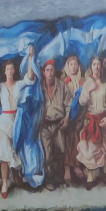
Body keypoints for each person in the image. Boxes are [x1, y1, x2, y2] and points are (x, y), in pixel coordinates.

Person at [0, 47, 37, 198]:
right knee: (3, 145)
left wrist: (30, 57)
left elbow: (30, 77)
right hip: (4, 120)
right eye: (7, 69)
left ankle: (20, 178)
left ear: (14, 71)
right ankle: (5, 183)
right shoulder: (0, 86)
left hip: (17, 120)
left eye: (12, 69)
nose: (10, 71)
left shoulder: (19, 84)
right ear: (4, 71)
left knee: (22, 147)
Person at [75, 56, 106, 188]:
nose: (97, 67)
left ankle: (104, 171)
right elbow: (81, 102)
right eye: (94, 64)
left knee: (104, 148)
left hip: (103, 120)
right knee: (90, 149)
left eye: (98, 64)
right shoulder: (87, 83)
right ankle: (90, 176)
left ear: (101, 67)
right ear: (91, 67)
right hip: (91, 120)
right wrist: (90, 90)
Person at [38, 59, 71, 191]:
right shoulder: (39, 87)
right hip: (44, 125)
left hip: (59, 123)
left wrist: (67, 117)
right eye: (47, 70)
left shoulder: (62, 85)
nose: (50, 73)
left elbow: (69, 103)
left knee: (61, 150)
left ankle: (59, 176)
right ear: (43, 72)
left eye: (52, 70)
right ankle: (50, 179)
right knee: (47, 154)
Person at [61, 55, 85, 184]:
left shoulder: (83, 81)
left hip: (80, 116)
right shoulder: (63, 81)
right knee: (68, 138)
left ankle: (76, 165)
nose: (74, 67)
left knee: (77, 137)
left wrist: (80, 117)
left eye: (75, 64)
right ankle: (67, 168)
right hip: (67, 116)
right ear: (67, 66)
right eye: (71, 64)